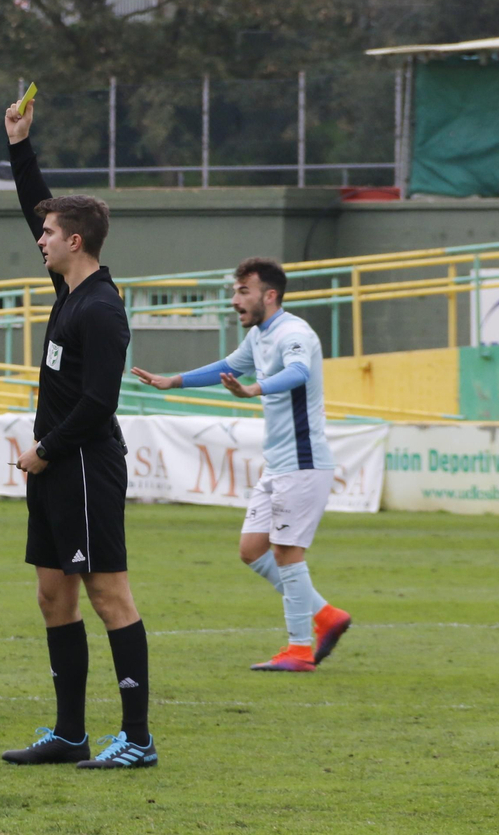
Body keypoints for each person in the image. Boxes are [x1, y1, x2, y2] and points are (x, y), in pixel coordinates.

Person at [0, 97, 156, 770]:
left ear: (77, 241)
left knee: (108, 594)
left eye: (51, 232)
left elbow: (100, 401)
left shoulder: (101, 308)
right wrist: (20, 147)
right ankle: (70, 734)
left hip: (84, 464)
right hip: (54, 468)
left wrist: (46, 450)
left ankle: (138, 740)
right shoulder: (69, 290)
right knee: (51, 593)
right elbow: (36, 205)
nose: (41, 237)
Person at [132, 257, 352, 674]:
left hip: (303, 462)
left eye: (243, 292)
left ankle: (300, 649)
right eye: (235, 291)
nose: (235, 300)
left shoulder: (293, 332)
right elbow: (227, 367)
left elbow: (299, 372)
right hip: (280, 464)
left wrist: (255, 389)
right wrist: (172, 381)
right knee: (252, 550)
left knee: (287, 552)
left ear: (269, 296)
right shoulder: (260, 335)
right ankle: (326, 615)